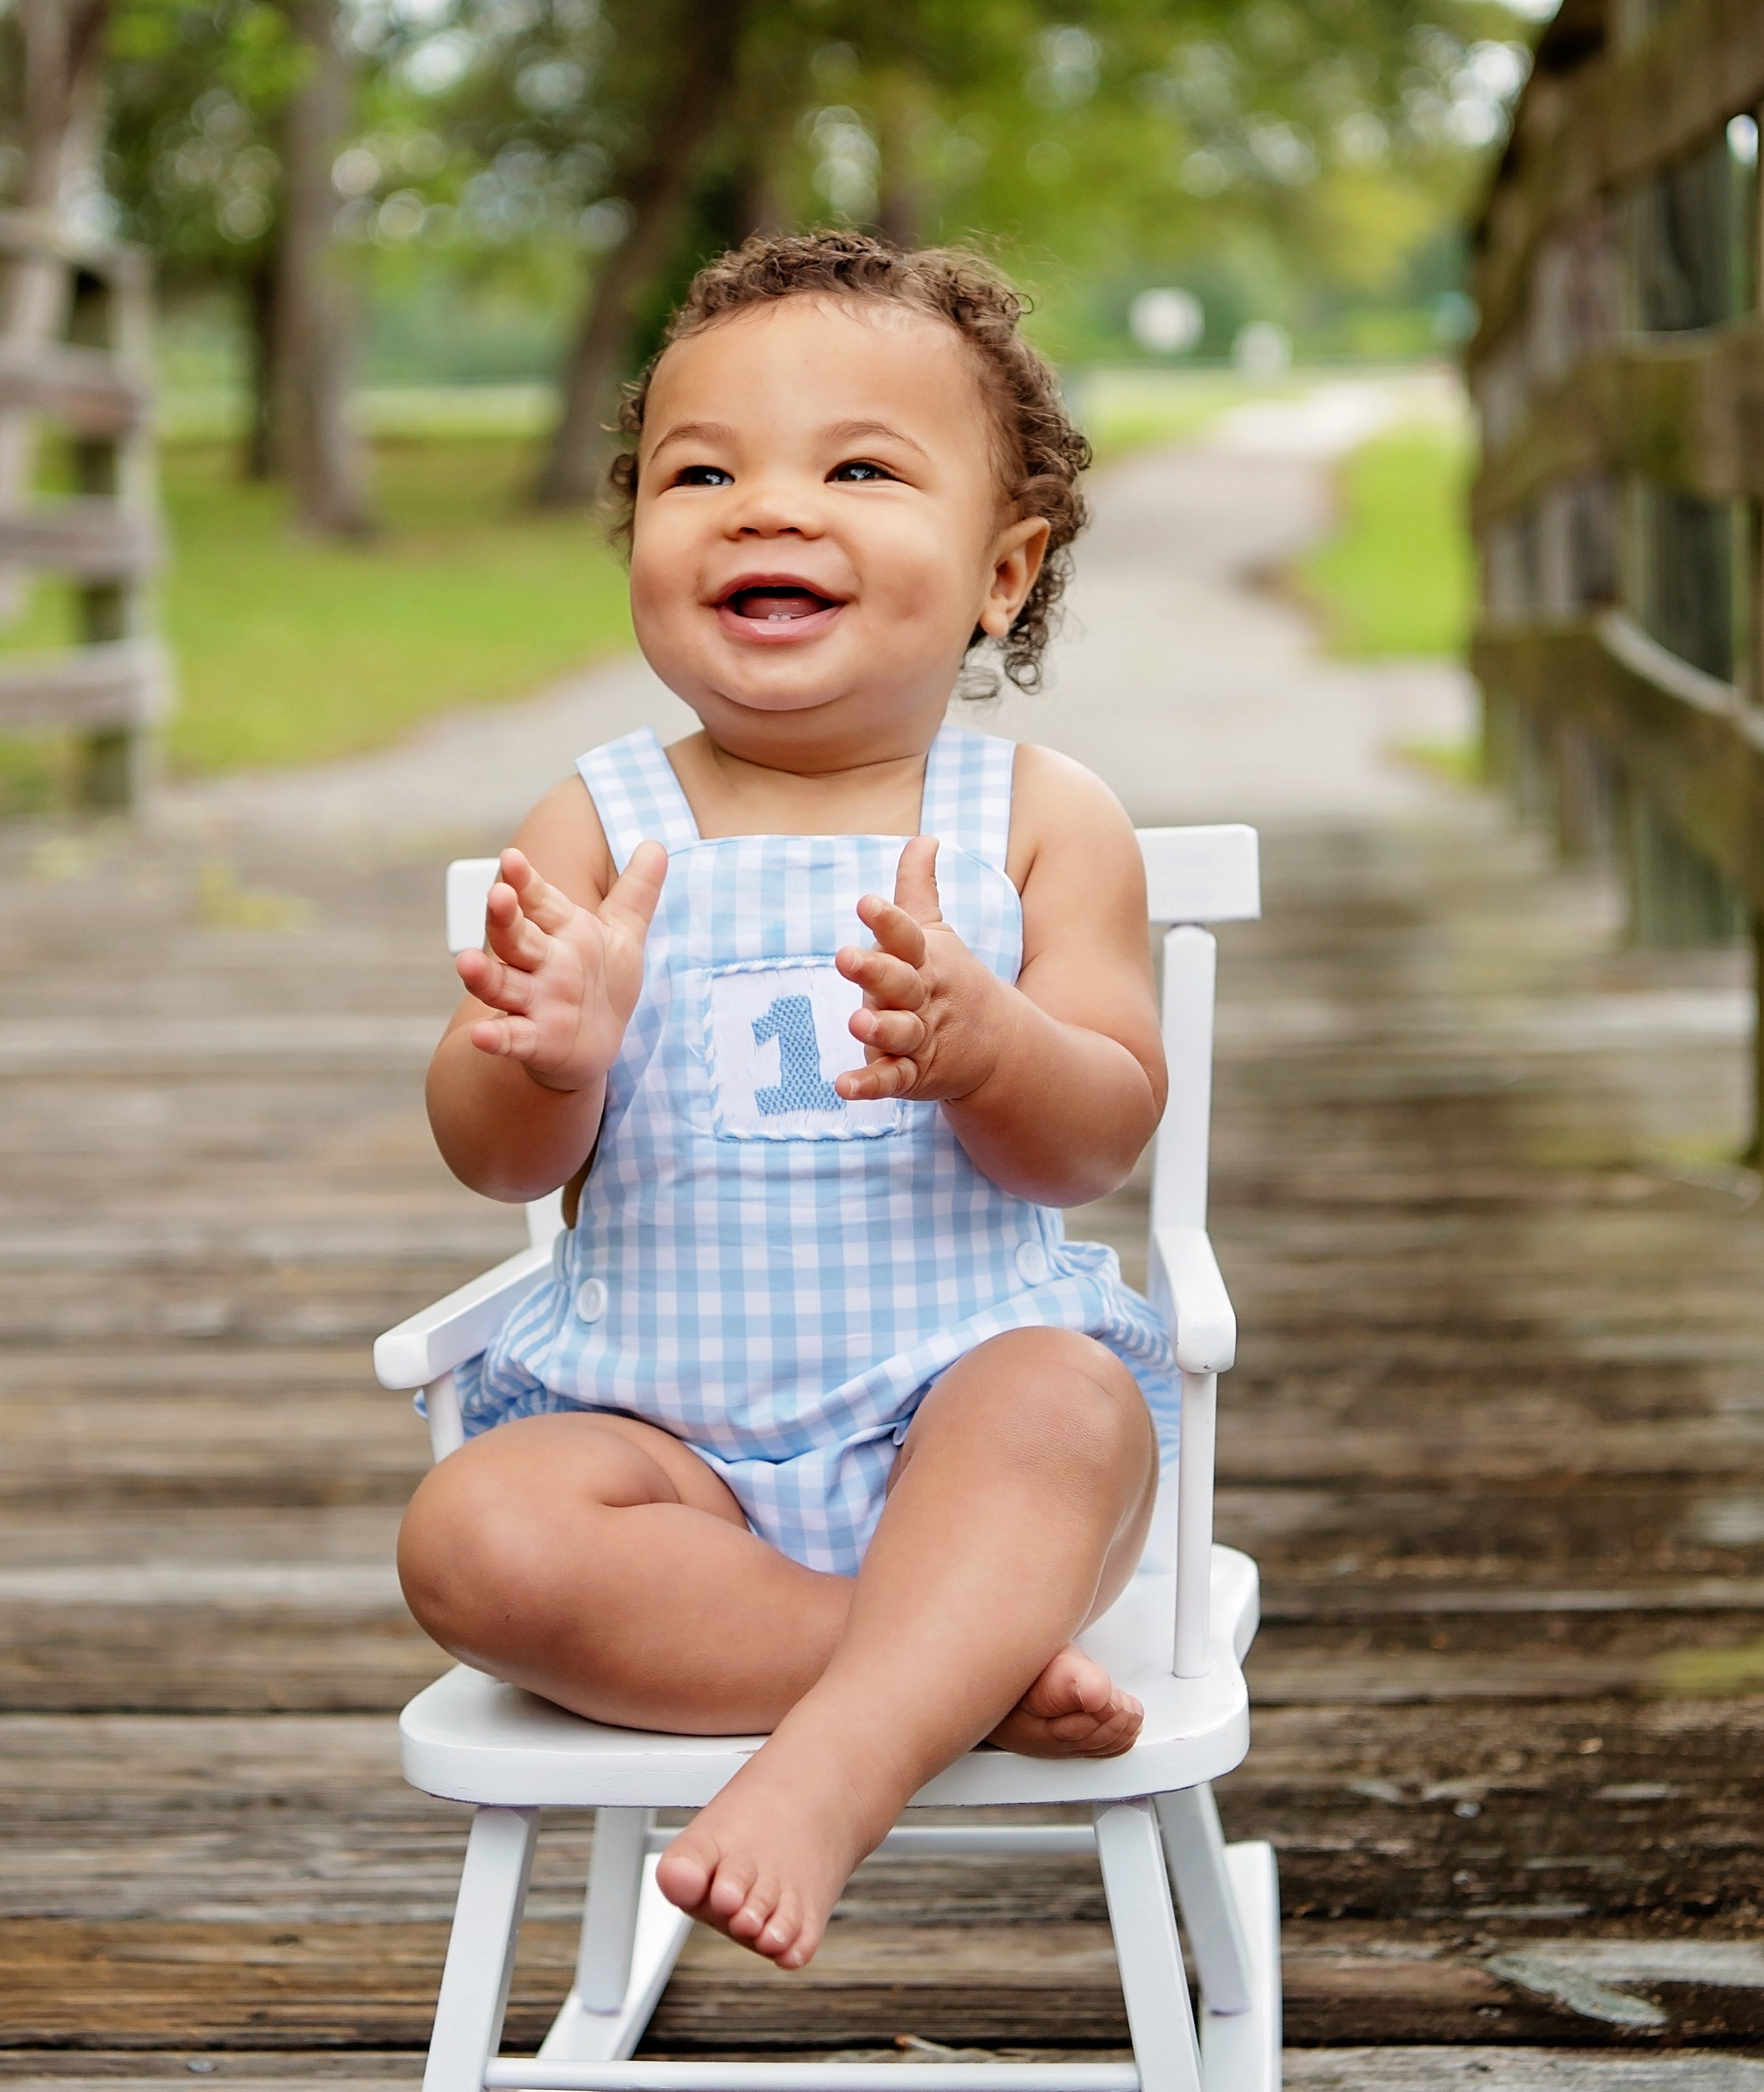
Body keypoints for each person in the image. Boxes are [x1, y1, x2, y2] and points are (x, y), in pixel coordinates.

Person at [397, 231, 1179, 1976]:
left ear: (1003, 568)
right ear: (644, 544)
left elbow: (1103, 1125)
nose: (766, 508)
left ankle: (836, 1764)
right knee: (474, 1538)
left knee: (1061, 1400)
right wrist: (553, 1057)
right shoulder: (599, 818)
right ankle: (937, 1673)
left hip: (957, 1429)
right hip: (668, 1471)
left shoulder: (1042, 822)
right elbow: (484, 1155)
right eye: (702, 472)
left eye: (858, 468)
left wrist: (993, 1048)